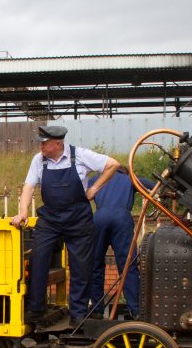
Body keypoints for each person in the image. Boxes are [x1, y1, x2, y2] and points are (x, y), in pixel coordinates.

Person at [10, 125, 119, 326]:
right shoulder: (38, 160)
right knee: (38, 258)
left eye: (45, 143)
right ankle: (36, 308)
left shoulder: (80, 155)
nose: (41, 146)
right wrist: (23, 211)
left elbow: (112, 164)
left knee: (81, 266)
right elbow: (28, 187)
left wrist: (94, 188)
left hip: (78, 219)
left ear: (58, 143)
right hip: (50, 219)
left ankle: (77, 314)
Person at [86, 166, 154, 319]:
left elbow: (81, 192)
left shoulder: (97, 178)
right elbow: (152, 186)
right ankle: (135, 310)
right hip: (122, 219)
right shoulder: (129, 179)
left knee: (95, 265)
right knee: (127, 266)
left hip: (99, 218)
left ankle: (96, 309)